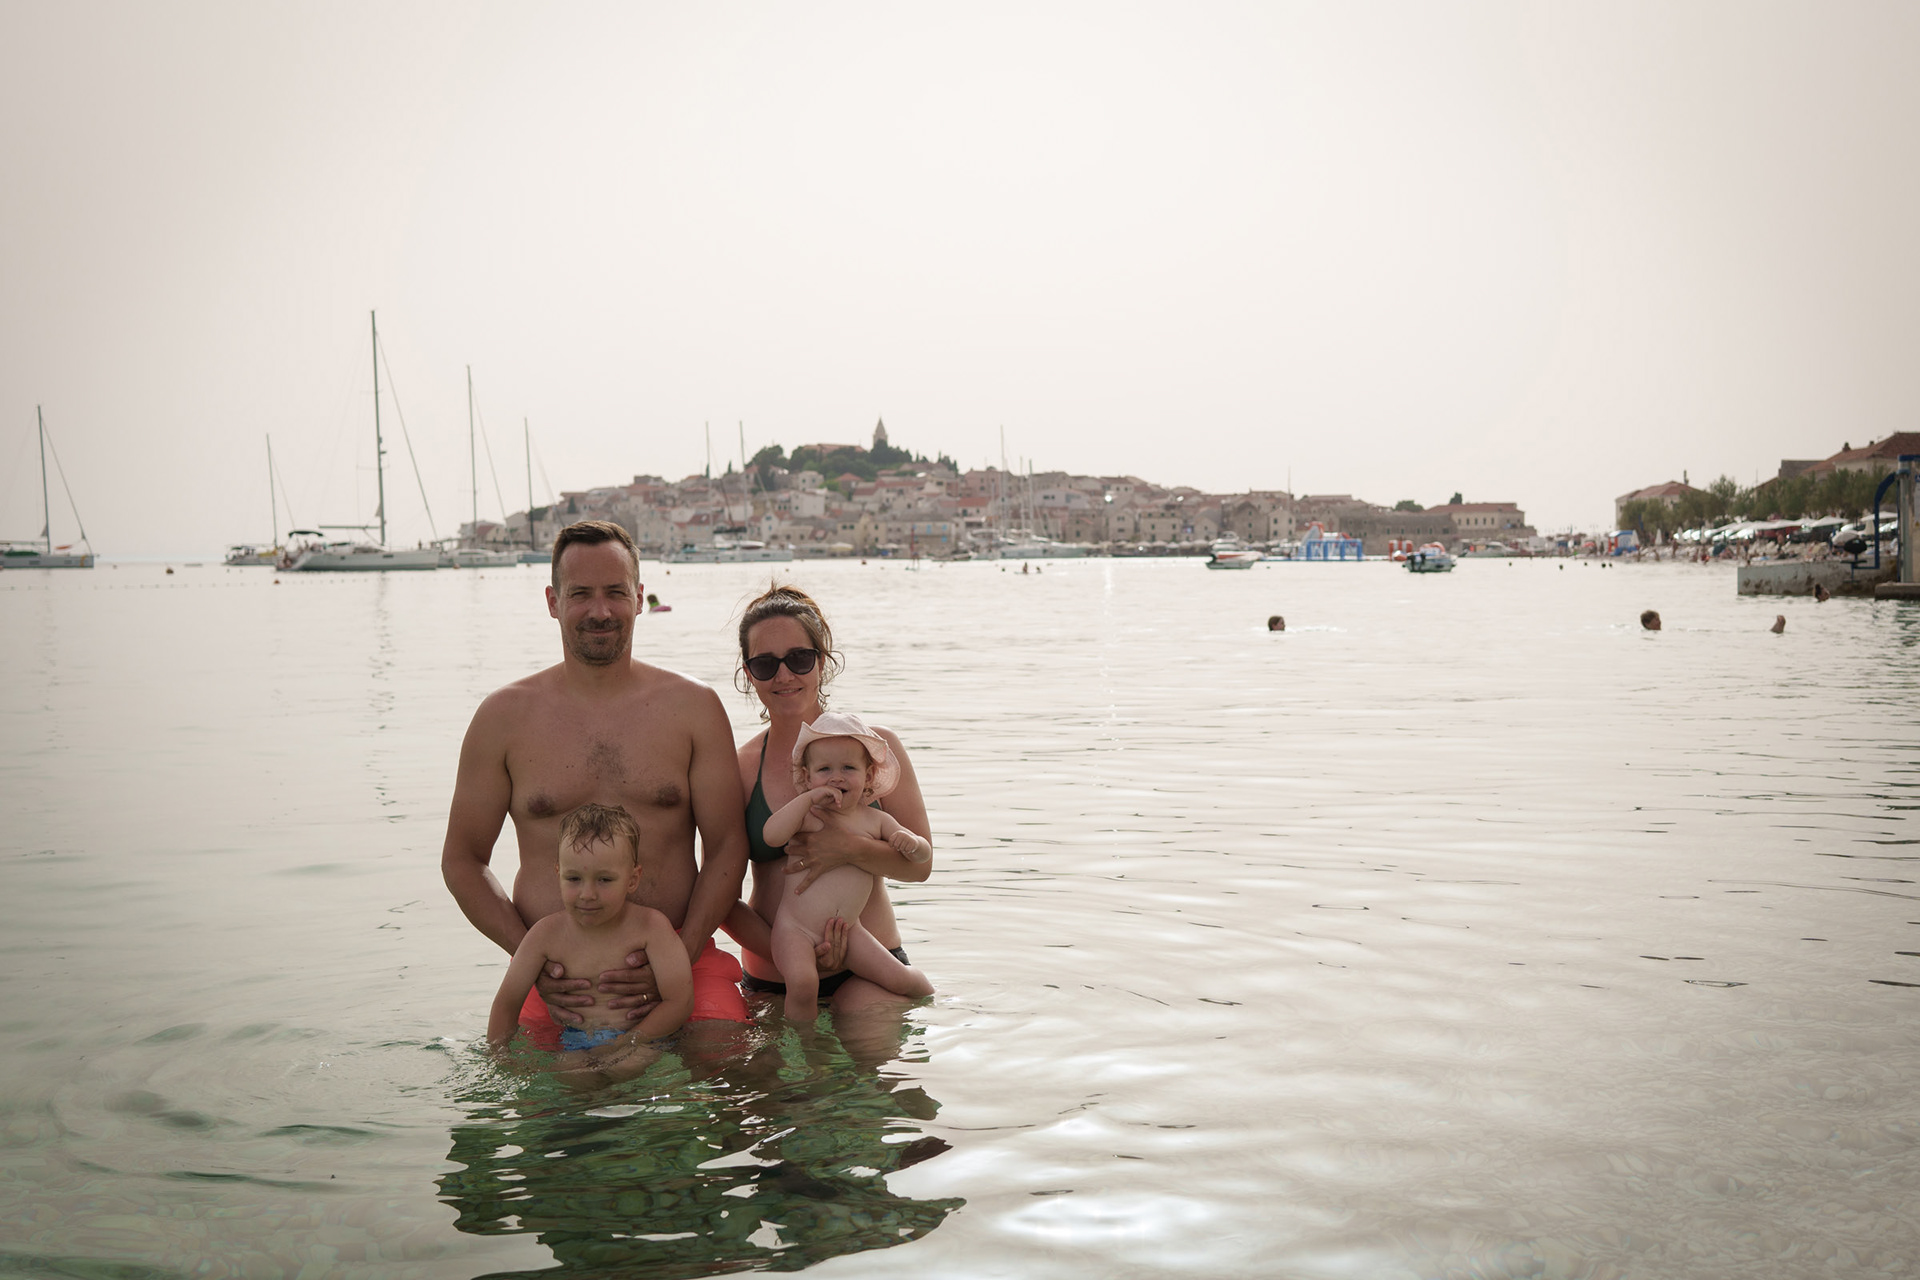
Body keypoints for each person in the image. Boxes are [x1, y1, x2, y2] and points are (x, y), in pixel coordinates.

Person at [443, 520, 752, 1050]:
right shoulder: (503, 719)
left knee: (728, 1065)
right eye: (581, 594)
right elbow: (463, 861)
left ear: (638, 598)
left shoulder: (693, 708)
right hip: (559, 980)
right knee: (536, 1091)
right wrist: (533, 960)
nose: (600, 611)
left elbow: (727, 845)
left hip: (684, 958)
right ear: (553, 601)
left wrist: (678, 955)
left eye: (615, 593)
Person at [723, 584, 933, 1019]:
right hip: (776, 973)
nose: (784, 675)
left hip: (871, 965)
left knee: (867, 1051)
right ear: (748, 674)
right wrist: (796, 951)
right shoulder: (737, 768)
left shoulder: (877, 749)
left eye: (799, 658)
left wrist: (849, 848)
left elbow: (920, 866)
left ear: (822, 661)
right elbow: (719, 893)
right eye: (765, 664)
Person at [488, 803, 692, 1083]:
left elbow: (679, 1001)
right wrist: (499, 1057)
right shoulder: (545, 935)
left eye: (604, 880)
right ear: (558, 873)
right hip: (575, 1042)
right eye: (574, 878)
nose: (587, 894)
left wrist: (629, 1041)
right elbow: (507, 1003)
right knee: (570, 1074)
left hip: (644, 1039)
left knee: (627, 1067)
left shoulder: (651, 928)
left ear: (632, 879)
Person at [754, 713, 933, 1021]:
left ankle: (934, 996)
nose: (836, 777)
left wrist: (912, 843)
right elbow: (772, 835)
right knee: (803, 983)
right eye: (824, 770)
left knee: (900, 979)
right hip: (795, 929)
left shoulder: (876, 821)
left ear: (868, 776)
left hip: (849, 929)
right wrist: (806, 799)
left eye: (848, 768)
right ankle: (804, 1043)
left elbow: (922, 858)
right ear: (807, 778)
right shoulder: (809, 816)